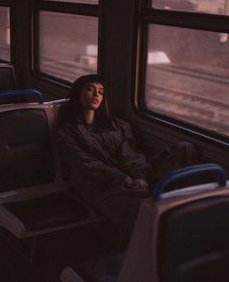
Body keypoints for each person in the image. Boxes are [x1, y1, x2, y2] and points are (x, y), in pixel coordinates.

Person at [58, 74, 199, 246]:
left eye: (100, 92)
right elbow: (84, 164)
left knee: (185, 148)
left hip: (135, 176)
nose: (96, 95)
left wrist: (138, 175)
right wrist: (121, 177)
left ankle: (184, 203)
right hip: (103, 186)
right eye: (90, 89)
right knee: (145, 211)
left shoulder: (116, 124)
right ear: (77, 94)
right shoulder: (67, 131)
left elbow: (130, 152)